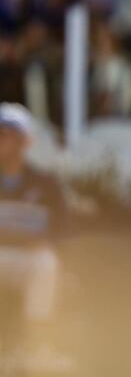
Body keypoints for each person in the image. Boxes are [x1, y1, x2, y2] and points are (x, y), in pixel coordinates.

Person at [0, 103, 66, 335]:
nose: (1, 141)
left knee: (45, 264)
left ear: (24, 141)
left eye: (6, 134)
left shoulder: (46, 184)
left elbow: (62, 229)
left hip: (28, 260)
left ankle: (38, 341)